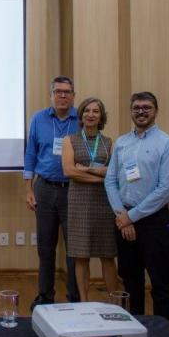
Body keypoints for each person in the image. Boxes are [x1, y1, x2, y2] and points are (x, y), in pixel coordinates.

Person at [105, 92, 169, 321]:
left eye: (146, 107)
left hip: (154, 221)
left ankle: (164, 335)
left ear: (156, 111)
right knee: (130, 280)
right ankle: (135, 329)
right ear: (131, 111)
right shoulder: (122, 142)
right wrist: (122, 215)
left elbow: (165, 189)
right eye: (136, 107)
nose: (141, 111)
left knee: (160, 282)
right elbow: (110, 180)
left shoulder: (167, 144)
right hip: (124, 217)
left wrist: (132, 217)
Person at [24, 76, 80, 309]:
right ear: (51, 95)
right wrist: (28, 188)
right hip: (44, 188)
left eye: (67, 92)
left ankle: (75, 298)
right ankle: (45, 296)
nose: (63, 95)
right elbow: (30, 154)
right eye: (58, 91)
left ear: (73, 96)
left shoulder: (82, 119)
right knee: (45, 247)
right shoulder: (38, 119)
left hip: (74, 191)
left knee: (74, 248)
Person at [62, 97, 117, 302]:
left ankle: (114, 302)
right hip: (79, 203)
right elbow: (69, 171)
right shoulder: (70, 140)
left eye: (95, 111)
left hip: (104, 204)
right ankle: (84, 303)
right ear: (81, 115)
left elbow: (113, 173)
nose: (91, 115)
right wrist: (100, 177)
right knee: (81, 255)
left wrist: (88, 169)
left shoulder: (109, 142)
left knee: (108, 254)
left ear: (101, 116)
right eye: (87, 111)